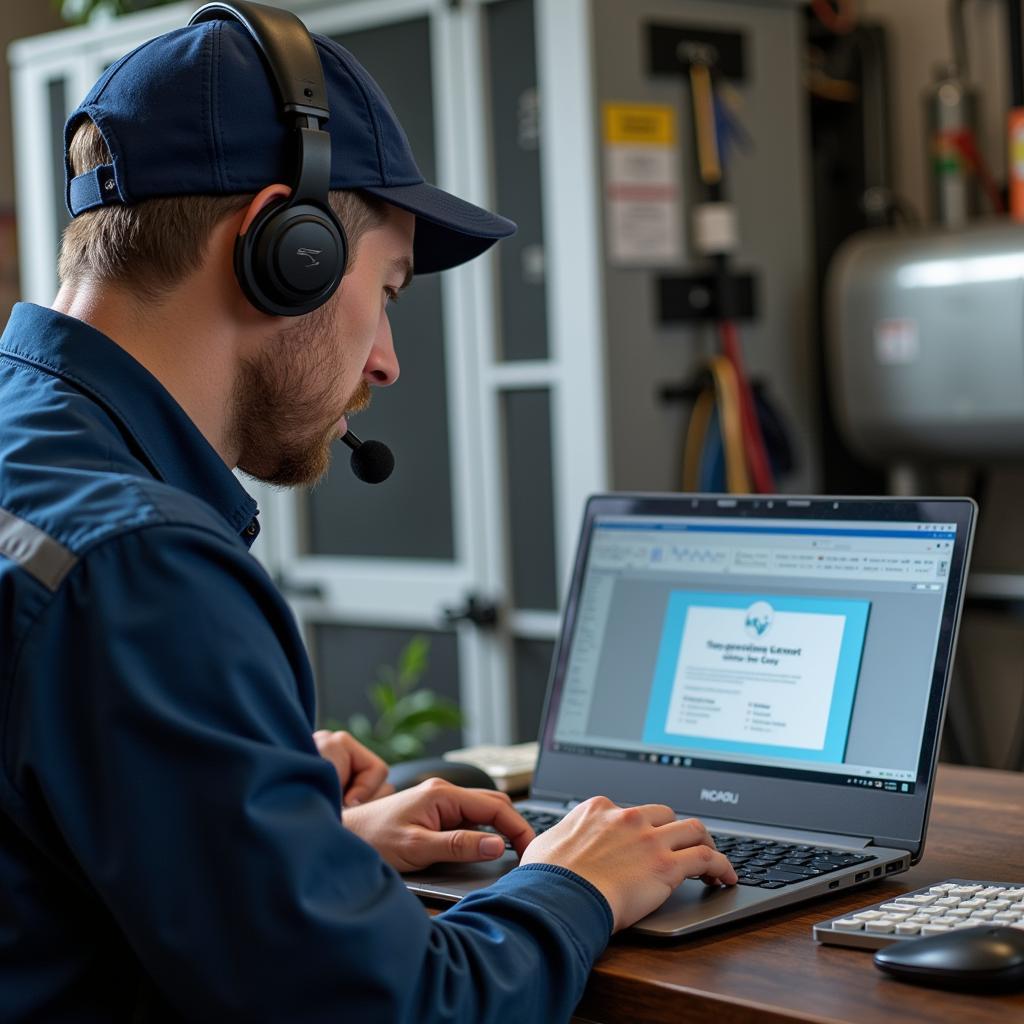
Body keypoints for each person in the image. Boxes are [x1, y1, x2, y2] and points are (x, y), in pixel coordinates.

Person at [0, 6, 736, 1022]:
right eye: (384, 287)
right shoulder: (141, 564)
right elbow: (400, 1010)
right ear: (282, 248)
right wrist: (577, 882)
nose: (386, 358)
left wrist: (288, 845)